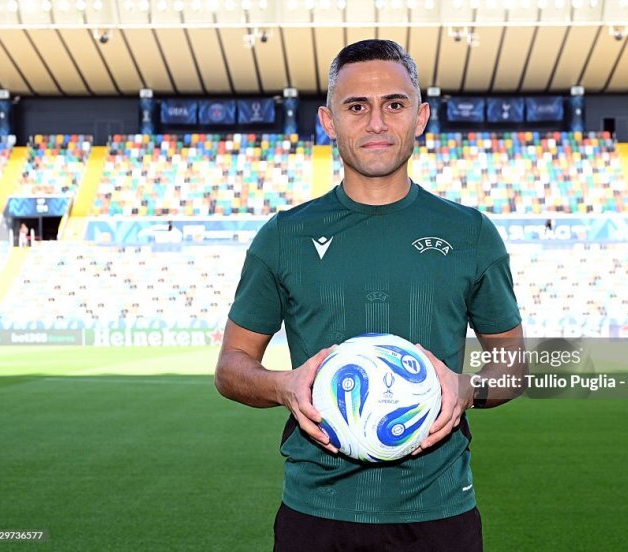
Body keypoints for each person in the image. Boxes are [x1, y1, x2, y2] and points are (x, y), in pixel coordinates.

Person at [215, 39, 524, 551]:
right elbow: (231, 367)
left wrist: (467, 389)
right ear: (329, 121)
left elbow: (514, 363)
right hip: (316, 513)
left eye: (394, 105)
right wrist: (284, 386)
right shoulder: (284, 236)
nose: (377, 123)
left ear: (420, 117)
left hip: (440, 513)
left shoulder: (471, 233)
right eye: (357, 106)